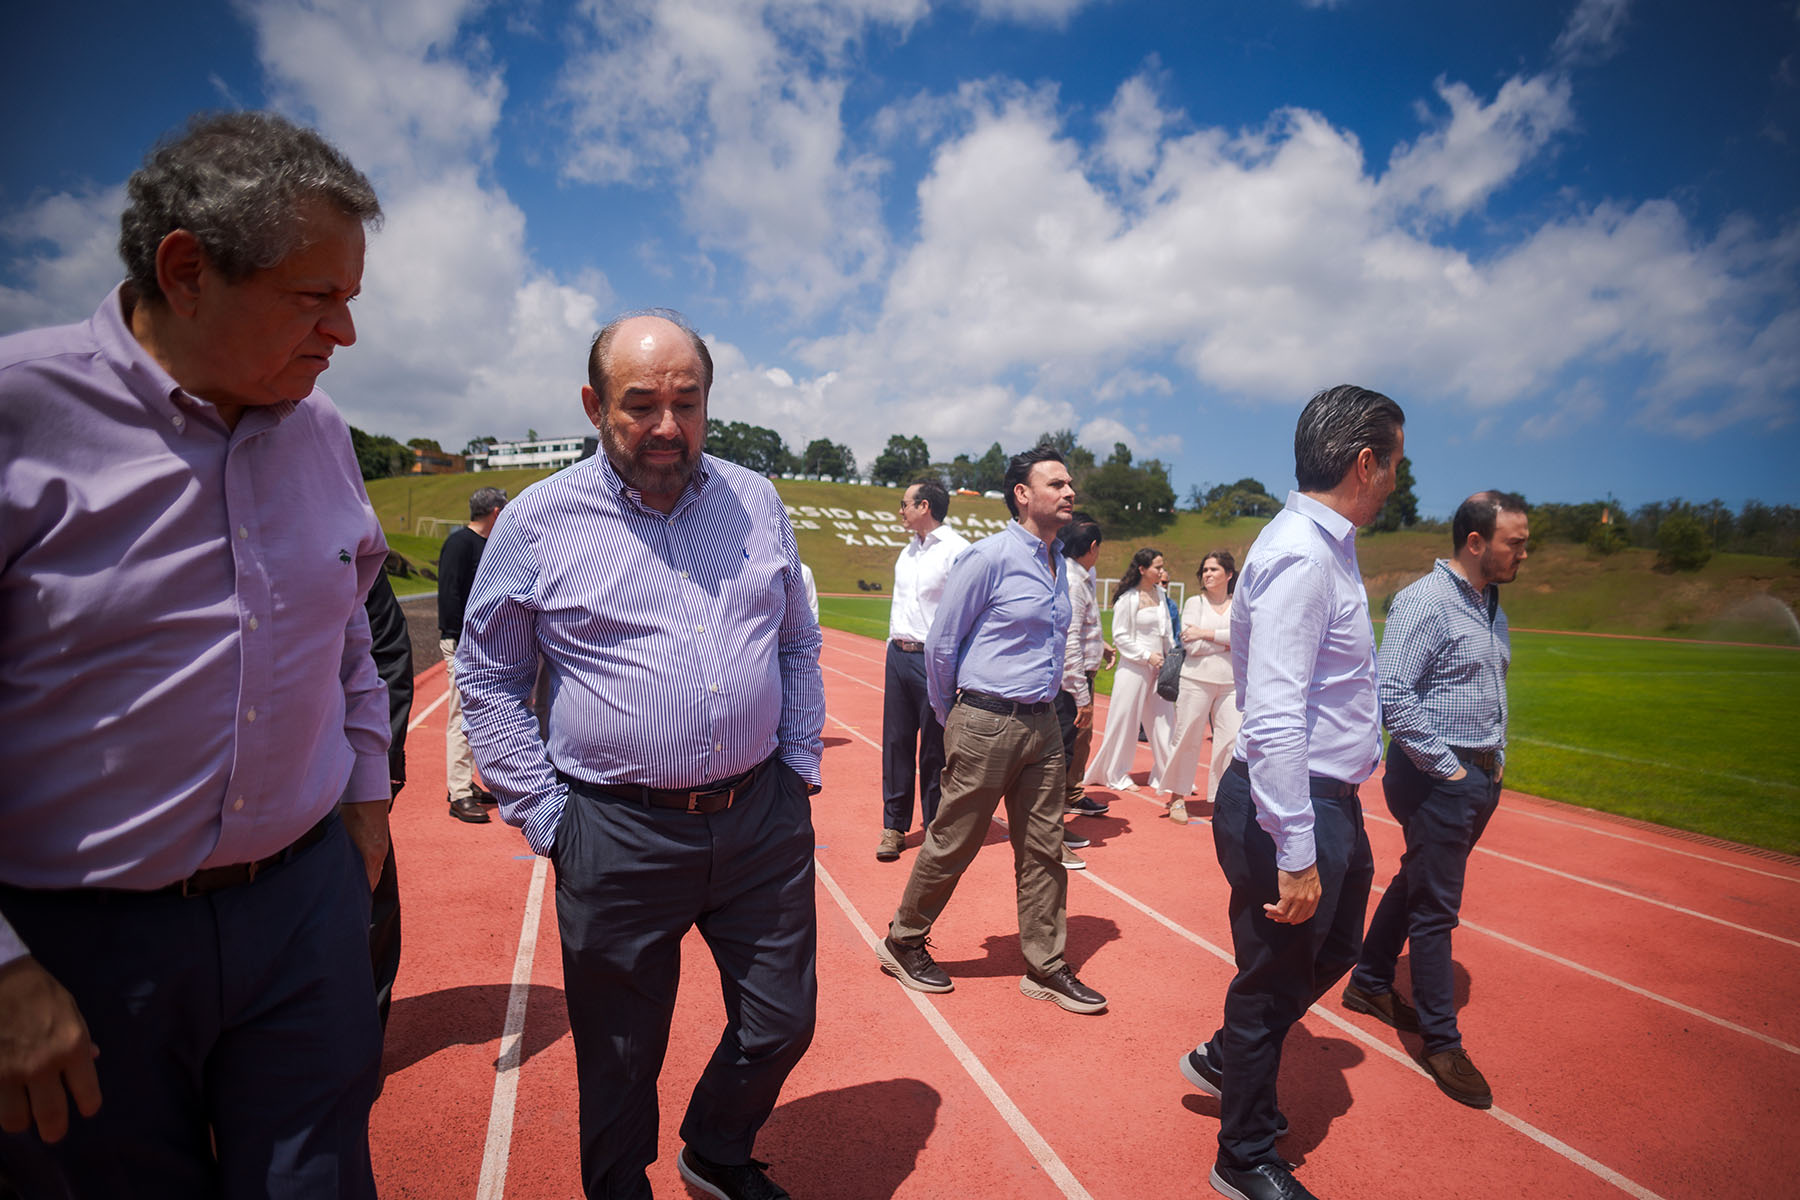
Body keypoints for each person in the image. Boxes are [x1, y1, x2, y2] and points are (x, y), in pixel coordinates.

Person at [0, 111, 390, 1197]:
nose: (343, 335)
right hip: (78, 949)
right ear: (187, 271)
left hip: (302, 909)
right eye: (318, 299)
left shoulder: (319, 429)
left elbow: (349, 622)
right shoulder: (19, 413)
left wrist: (365, 790)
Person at [455, 310, 825, 1200]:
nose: (668, 426)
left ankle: (717, 1147)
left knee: (781, 1023)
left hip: (759, 820)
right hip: (615, 834)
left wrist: (799, 767)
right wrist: (550, 820)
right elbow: (489, 675)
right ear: (593, 406)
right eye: (641, 405)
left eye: (687, 403)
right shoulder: (538, 522)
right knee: (619, 1057)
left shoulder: (754, 500)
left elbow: (796, 642)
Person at [1178, 384, 1405, 1200]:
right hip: (1290, 804)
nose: (1397, 483)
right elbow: (1272, 716)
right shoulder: (1303, 555)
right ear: (1364, 461)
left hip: (1329, 797)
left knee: (1337, 948)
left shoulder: (1326, 546)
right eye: (1395, 465)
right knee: (1272, 979)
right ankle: (1244, 1158)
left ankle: (1224, 1056)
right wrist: (1299, 849)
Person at [875, 448, 1108, 1015]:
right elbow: (943, 644)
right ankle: (904, 939)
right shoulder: (989, 558)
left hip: (1043, 725)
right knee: (954, 840)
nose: (1069, 491)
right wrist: (953, 716)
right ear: (1023, 495)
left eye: (1070, 482)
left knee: (1044, 848)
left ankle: (1045, 964)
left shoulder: (1064, 568)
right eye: (1056, 483)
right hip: (985, 720)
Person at [1342, 490, 1529, 1110]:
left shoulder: (1491, 605)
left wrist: (1492, 766)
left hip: (1477, 775)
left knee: (1420, 878)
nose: (1523, 553)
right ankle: (1441, 1042)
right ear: (1476, 542)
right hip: (1435, 775)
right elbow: (1392, 693)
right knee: (1437, 910)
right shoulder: (1426, 601)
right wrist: (1450, 771)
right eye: (1515, 542)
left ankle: (1370, 981)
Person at [878, 479, 970, 862]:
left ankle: (934, 826)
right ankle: (893, 827)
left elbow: (968, 612)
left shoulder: (958, 551)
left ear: (925, 506)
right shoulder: (907, 553)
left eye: (905, 504)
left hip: (934, 660)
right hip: (898, 655)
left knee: (934, 749)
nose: (901, 511)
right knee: (896, 743)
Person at [438, 485, 507, 823]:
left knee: (478, 718)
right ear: (495, 511)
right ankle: (459, 792)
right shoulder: (459, 543)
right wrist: (456, 640)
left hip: (482, 644)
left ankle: (467, 782)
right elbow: (449, 594)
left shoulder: (489, 545)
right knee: (458, 718)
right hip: (462, 643)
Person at [1081, 548, 1175, 794]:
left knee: (1165, 722)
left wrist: (1171, 658)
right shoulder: (1128, 599)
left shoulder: (1162, 595)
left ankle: (1168, 774)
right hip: (1134, 668)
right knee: (1125, 722)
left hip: (1160, 669)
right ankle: (1115, 773)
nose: (1162, 571)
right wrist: (1147, 656)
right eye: (1157, 567)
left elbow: (1167, 633)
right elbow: (1121, 636)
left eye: (1162, 566)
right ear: (1143, 569)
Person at [1159, 552, 1243, 824]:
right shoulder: (1195, 603)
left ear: (1229, 575)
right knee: (1187, 738)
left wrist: (1207, 634)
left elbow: (1244, 638)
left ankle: (1223, 799)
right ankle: (1177, 797)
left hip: (1231, 683)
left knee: (1230, 740)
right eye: (1204, 569)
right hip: (1195, 680)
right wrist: (1226, 642)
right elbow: (1190, 645)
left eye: (1214, 569)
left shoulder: (1240, 605)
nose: (1207, 574)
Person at [366, 572, 414, 1035]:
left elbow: (388, 657)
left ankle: (360, 1051)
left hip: (341, 792)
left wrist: (378, 781)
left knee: (370, 929)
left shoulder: (338, 526)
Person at [1054, 519, 1116, 869]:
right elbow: (1068, 642)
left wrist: (1101, 646)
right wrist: (1082, 696)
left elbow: (1081, 631)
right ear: (1092, 546)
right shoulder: (1074, 581)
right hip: (1070, 686)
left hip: (1076, 679)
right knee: (1059, 760)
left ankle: (1056, 830)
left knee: (1066, 757)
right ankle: (1051, 838)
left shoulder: (1078, 577)